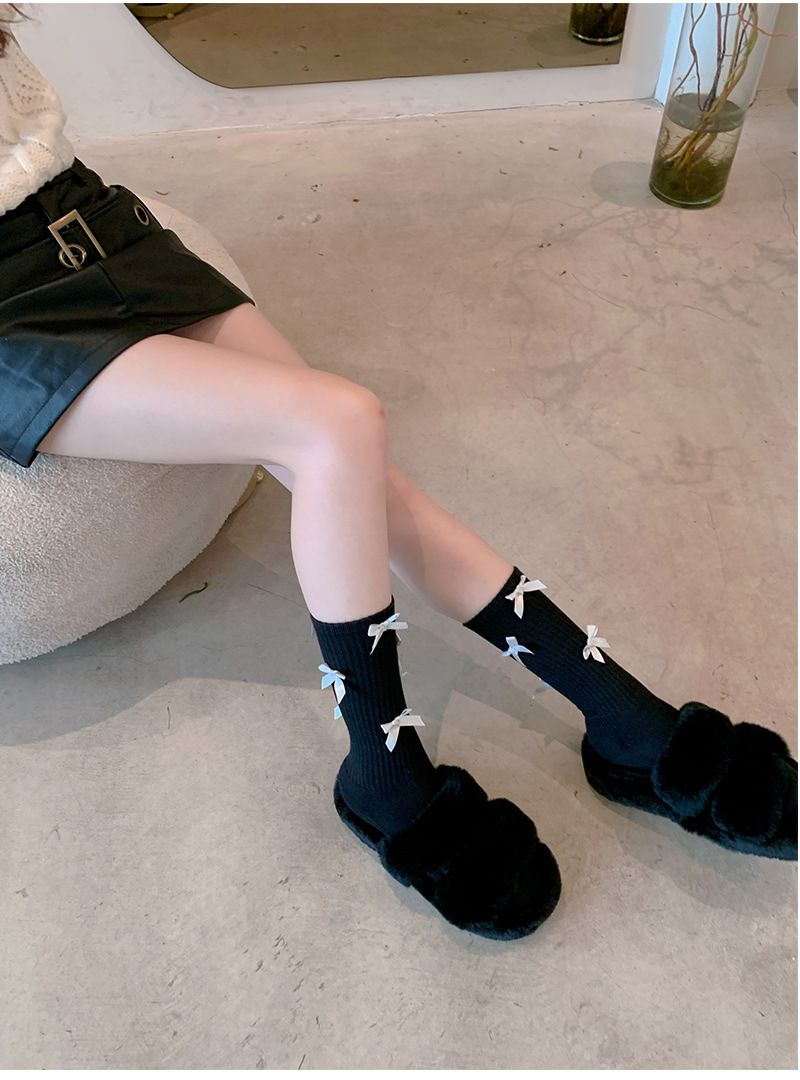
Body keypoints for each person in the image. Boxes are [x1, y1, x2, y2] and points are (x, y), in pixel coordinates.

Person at [1, 5, 795, 941]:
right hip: (14, 311)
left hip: (95, 223)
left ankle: (617, 717)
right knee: (338, 424)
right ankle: (382, 770)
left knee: (355, 470)